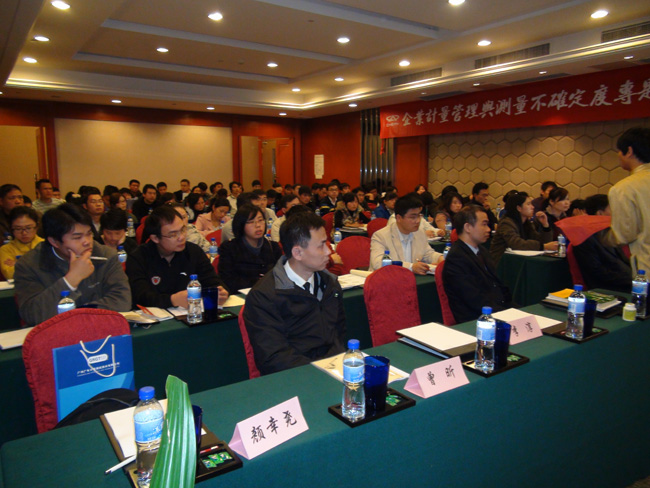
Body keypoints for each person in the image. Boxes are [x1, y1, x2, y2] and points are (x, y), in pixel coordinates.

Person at [243, 211, 346, 375]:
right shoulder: (264, 296)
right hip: (295, 376)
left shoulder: (330, 283)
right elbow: (273, 358)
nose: (329, 251)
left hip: (335, 369)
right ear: (297, 253)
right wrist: (321, 370)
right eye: (321, 246)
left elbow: (339, 335)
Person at [14, 203, 131, 326]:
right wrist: (70, 281)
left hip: (100, 327)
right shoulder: (29, 264)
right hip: (54, 332)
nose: (87, 242)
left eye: (89, 233)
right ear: (54, 241)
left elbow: (122, 300)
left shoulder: (106, 255)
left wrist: (77, 314)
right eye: (77, 237)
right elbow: (32, 314)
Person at [126, 205, 228, 309]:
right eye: (173, 235)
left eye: (183, 230)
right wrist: (172, 300)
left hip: (191, 313)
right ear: (155, 238)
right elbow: (140, 296)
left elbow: (212, 281)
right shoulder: (138, 257)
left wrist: (220, 292)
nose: (181, 237)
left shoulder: (194, 251)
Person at [442, 206, 514, 323]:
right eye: (484, 224)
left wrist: (514, 310)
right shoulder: (456, 258)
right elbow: (474, 300)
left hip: (495, 311)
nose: (488, 229)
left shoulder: (482, 251)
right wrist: (506, 314)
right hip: (476, 320)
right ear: (468, 227)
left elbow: (497, 286)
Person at [602, 127, 650, 273]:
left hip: (645, 267)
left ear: (629, 151)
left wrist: (603, 237)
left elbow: (623, 235)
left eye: (619, 151)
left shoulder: (624, 188)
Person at [369, 194, 443, 272]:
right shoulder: (380, 236)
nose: (418, 221)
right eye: (412, 217)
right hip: (386, 277)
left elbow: (428, 254)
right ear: (398, 218)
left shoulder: (419, 232)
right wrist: (411, 267)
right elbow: (378, 263)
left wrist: (441, 259)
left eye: (419, 216)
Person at [218, 204, 283, 293]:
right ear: (241, 225)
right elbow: (227, 281)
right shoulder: (229, 249)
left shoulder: (273, 247)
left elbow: (282, 276)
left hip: (269, 295)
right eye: (251, 222)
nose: (258, 225)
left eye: (260, 220)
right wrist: (257, 282)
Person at [573, 194, 631, 292]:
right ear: (600, 213)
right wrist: (631, 280)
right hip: (609, 287)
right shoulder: (585, 238)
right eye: (612, 209)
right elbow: (597, 272)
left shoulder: (609, 233)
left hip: (626, 280)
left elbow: (622, 261)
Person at [489, 192, 557, 266]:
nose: (532, 207)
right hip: (501, 263)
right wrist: (544, 246)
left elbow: (540, 240)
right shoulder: (506, 223)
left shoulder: (526, 223)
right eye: (528, 204)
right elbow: (517, 244)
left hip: (518, 261)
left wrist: (545, 226)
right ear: (519, 208)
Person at [0, 207, 43, 280]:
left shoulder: (46, 245)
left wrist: (19, 264)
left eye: (28, 228)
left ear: (36, 226)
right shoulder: (5, 249)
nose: (24, 233)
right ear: (11, 228)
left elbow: (52, 271)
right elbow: (10, 274)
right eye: (18, 229)